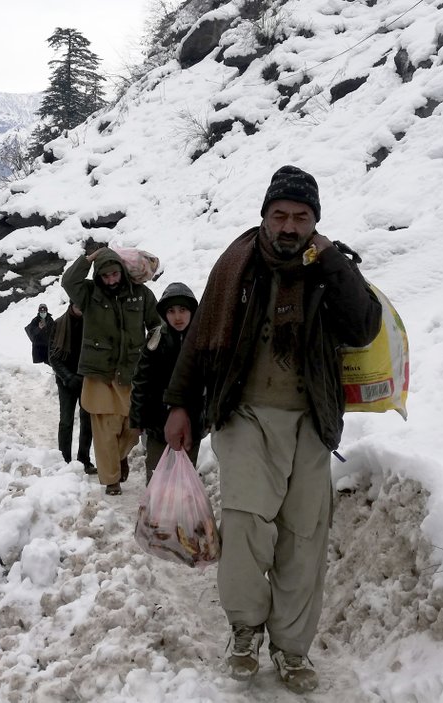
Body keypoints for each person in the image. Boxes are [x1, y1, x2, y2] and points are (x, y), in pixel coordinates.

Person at [163, 165, 383, 693]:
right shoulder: (237, 265)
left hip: (311, 420)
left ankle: (291, 647)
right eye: (280, 215)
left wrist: (333, 262)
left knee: (303, 538)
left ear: (315, 222)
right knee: (244, 526)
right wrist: (179, 404)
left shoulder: (330, 269)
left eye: (301, 217)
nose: (289, 226)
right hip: (245, 415)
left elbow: (364, 326)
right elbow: (199, 342)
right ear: (264, 216)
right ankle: (244, 628)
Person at [62, 246, 160, 495]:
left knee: (132, 426)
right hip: (99, 373)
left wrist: (153, 351)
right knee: (105, 429)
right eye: (105, 276)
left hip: (132, 371)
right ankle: (111, 480)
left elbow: (157, 325)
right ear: (98, 276)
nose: (111, 280)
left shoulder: (142, 294)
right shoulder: (88, 294)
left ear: (122, 272)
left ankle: (120, 457)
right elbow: (69, 280)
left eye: (115, 274)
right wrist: (90, 258)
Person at [129, 282, 202, 484]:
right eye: (171, 311)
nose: (177, 317)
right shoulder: (156, 340)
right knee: (157, 476)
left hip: (191, 425)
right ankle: (155, 514)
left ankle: (181, 514)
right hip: (157, 424)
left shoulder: (202, 340)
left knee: (184, 477)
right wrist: (137, 419)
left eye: (183, 310)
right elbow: (141, 380)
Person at [49, 302, 95, 474]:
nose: (80, 309)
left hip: (87, 380)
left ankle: (84, 460)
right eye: (77, 305)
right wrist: (68, 377)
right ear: (71, 305)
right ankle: (64, 461)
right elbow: (53, 356)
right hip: (66, 381)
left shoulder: (92, 323)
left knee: (87, 421)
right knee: (66, 421)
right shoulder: (59, 324)